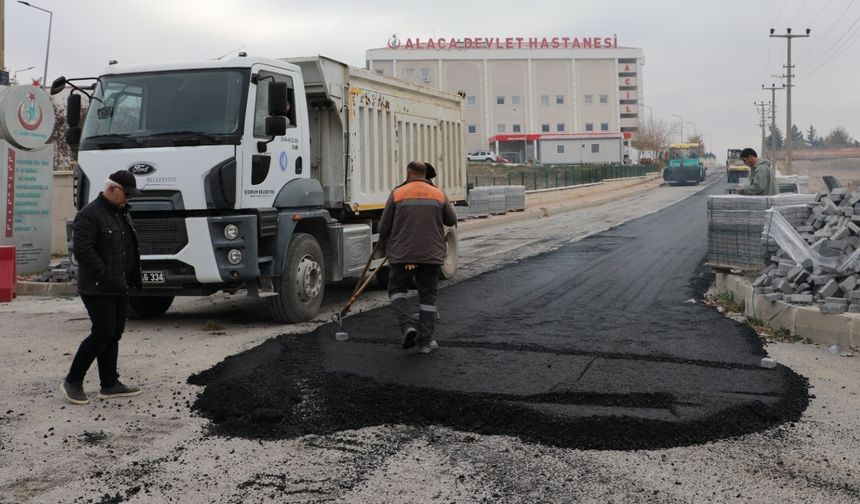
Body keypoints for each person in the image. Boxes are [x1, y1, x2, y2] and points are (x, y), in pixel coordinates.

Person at [62, 170, 144, 405]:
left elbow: (127, 248)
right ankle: (72, 381)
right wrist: (105, 275)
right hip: (98, 287)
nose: (129, 199)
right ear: (112, 189)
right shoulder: (89, 215)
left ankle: (109, 384)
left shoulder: (120, 213)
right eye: (126, 194)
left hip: (119, 284)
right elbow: (83, 251)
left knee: (114, 333)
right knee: (103, 332)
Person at [379, 160, 457, 354]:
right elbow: (451, 219)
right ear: (425, 174)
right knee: (428, 296)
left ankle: (407, 326)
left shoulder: (398, 193)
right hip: (431, 256)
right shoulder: (438, 193)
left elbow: (384, 226)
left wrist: (384, 242)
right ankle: (426, 342)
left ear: (408, 173)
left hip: (402, 255)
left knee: (397, 289)